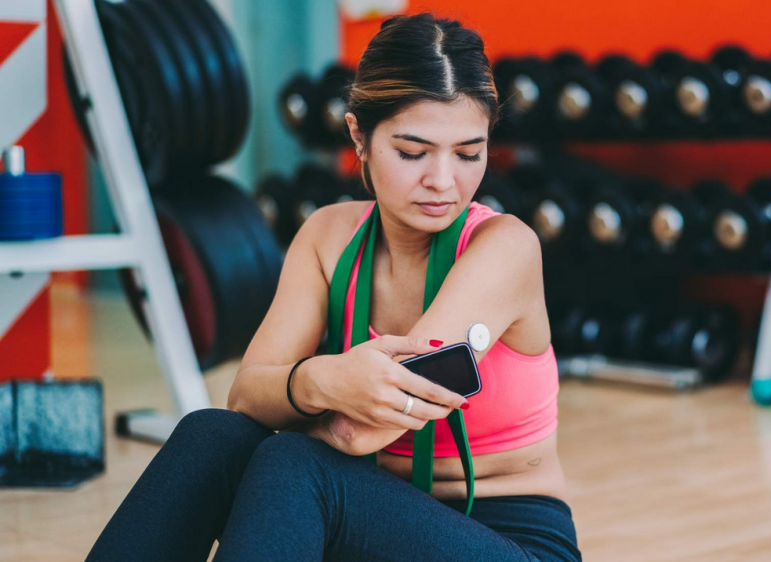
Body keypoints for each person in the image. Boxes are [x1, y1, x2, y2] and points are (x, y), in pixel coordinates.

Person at [87, 12, 580, 562]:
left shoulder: (505, 248)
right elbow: (245, 397)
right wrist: (322, 378)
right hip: (367, 519)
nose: (443, 181)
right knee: (213, 435)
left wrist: (291, 401)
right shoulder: (328, 236)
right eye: (413, 152)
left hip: (506, 542)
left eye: (468, 153)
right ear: (358, 137)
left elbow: (361, 432)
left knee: (293, 463)